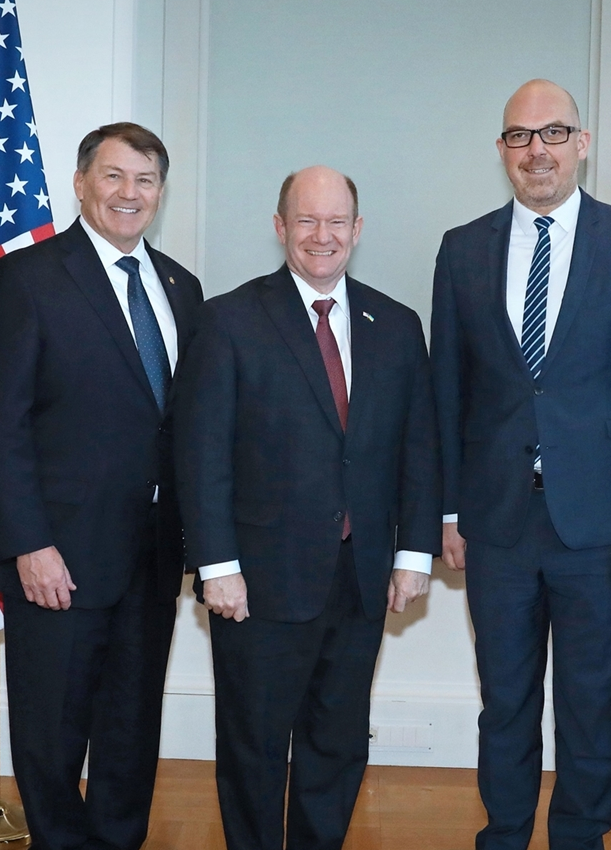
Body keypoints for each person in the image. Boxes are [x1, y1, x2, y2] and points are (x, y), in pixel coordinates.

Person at [430, 79, 611, 849]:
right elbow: (447, 391)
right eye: (518, 136)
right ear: (503, 151)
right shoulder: (463, 246)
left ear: (583, 143)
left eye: (552, 133)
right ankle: (503, 836)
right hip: (497, 523)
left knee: (587, 700)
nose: (535, 149)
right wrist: (448, 511)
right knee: (504, 699)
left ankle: (580, 838)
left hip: (604, 525)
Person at [173, 166, 440, 850]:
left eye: (336, 221)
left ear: (358, 229)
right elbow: (201, 455)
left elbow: (417, 448)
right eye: (307, 220)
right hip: (257, 583)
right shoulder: (230, 320)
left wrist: (413, 555)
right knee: (255, 750)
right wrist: (216, 566)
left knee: (338, 743)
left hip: (359, 579)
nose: (323, 236)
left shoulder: (397, 325)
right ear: (280, 226)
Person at [0, 122, 203, 850]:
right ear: (80, 183)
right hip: (59, 559)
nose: (129, 194)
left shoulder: (181, 288)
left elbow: (184, 426)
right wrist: (29, 544)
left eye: (144, 180)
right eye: (113, 176)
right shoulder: (27, 278)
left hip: (152, 556)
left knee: (132, 730)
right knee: (51, 733)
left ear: (160, 193)